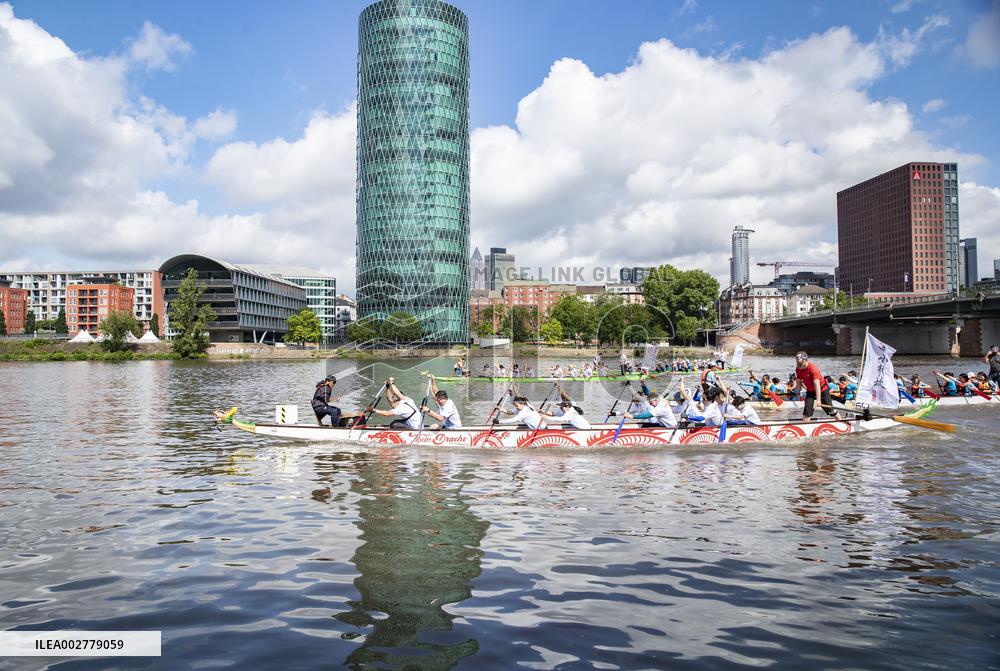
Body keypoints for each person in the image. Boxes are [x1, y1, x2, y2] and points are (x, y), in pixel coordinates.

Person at [793, 352, 842, 420]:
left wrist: (818, 400)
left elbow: (817, 385)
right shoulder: (798, 368)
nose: (796, 361)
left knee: (831, 410)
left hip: (822, 390)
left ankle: (841, 421)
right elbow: (798, 381)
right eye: (796, 359)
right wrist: (798, 393)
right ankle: (805, 424)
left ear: (804, 359)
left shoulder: (812, 368)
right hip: (810, 392)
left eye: (798, 359)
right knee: (807, 411)